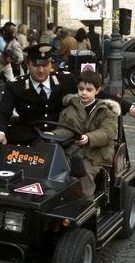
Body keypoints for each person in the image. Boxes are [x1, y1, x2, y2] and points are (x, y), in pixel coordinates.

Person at [0, 44, 135, 151]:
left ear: (51, 65)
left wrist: (128, 107)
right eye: (36, 65)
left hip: (62, 137)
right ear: (28, 65)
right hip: (28, 138)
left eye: (45, 65)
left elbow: (97, 93)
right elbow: (1, 112)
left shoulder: (66, 80)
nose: (41, 70)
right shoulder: (15, 86)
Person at [51, 71, 119, 199]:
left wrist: (89, 138)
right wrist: (53, 134)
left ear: (97, 91)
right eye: (81, 89)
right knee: (55, 168)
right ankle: (59, 199)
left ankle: (87, 203)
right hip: (72, 151)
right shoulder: (69, 109)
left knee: (84, 173)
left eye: (89, 90)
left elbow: (108, 132)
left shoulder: (105, 111)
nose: (84, 93)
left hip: (95, 154)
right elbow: (65, 128)